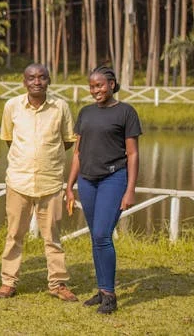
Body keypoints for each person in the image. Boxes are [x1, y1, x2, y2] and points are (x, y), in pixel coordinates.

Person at [0, 64, 78, 302]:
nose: (37, 81)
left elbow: (67, 141)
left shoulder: (60, 106)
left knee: (52, 237)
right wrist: (28, 158)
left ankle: (57, 283)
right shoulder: (12, 106)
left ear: (49, 80)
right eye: (31, 77)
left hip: (50, 182)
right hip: (19, 181)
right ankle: (8, 282)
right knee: (14, 235)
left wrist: (45, 158)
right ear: (24, 81)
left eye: (42, 77)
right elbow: (9, 140)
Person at [65, 66, 141, 314]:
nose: (95, 90)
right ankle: (101, 290)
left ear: (111, 84)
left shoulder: (126, 112)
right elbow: (77, 153)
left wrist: (130, 190)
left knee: (102, 235)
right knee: (96, 237)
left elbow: (133, 154)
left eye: (99, 85)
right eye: (92, 86)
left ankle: (109, 295)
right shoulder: (85, 113)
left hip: (114, 178)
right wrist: (69, 186)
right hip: (87, 181)